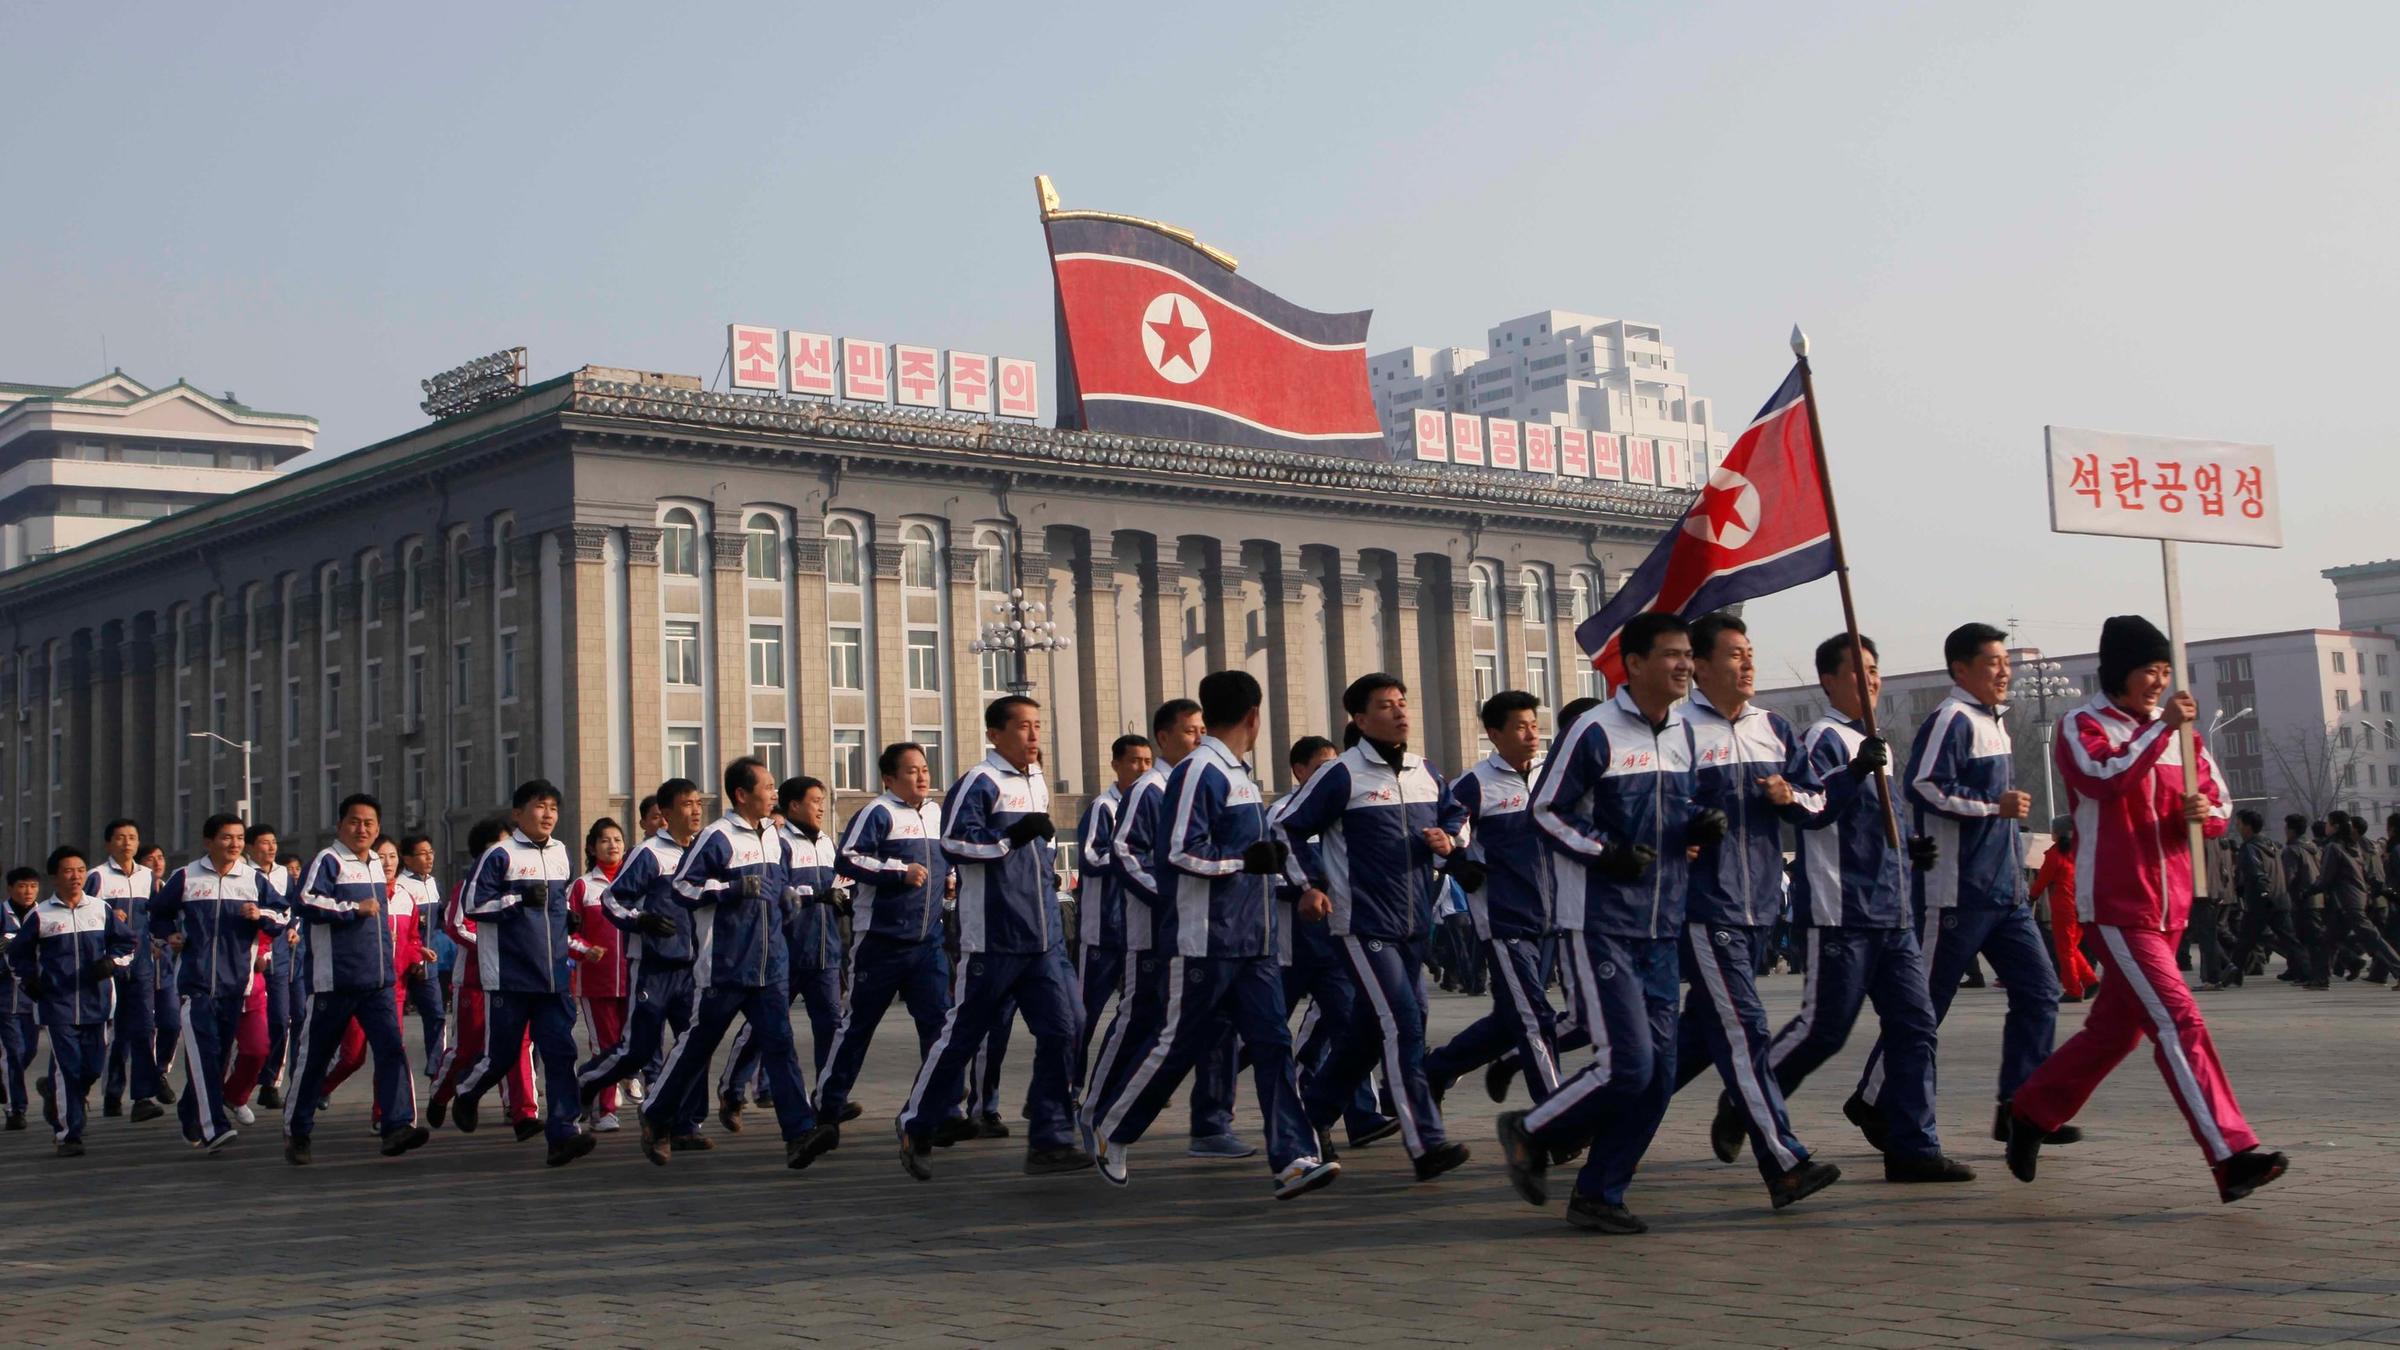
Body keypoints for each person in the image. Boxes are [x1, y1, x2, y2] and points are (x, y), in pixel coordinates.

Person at [2007, 614, 2286, 1203]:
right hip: (2117, 903)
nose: (2158, 682)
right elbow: (2102, 778)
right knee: (2179, 1021)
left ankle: (2030, 1111)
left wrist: (2202, 815)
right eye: (2147, 671)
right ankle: (2231, 1154)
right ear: (2119, 673)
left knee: (2115, 1034)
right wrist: (2161, 732)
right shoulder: (2082, 725)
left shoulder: (2182, 736)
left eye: (2164, 670)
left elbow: (2217, 802)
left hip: (2171, 907)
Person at [1495, 614, 1720, 1233]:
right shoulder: (1593, 731)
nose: (1685, 665)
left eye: (1688, 655)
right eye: (1672, 654)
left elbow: (1680, 807)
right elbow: (1546, 811)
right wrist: (1605, 852)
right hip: (1599, 921)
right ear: (1635, 663)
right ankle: (1533, 1128)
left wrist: (1698, 824)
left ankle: (1599, 1192)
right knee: (1629, 1064)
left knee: (1659, 1075)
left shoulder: (1684, 732)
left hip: (1661, 924)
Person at [1084, 669, 1336, 1199]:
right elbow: (1178, 852)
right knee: (1177, 1043)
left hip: (1254, 940)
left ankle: (1293, 1158)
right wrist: (1243, 862)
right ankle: (1112, 1127)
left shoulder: (1238, 773)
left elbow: (1260, 849)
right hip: (1205, 939)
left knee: (1273, 1043)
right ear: (1254, 716)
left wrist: (1288, 875)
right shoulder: (1200, 771)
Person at [1753, 633, 1975, 1183]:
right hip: (1843, 909)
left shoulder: (1876, 743)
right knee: (1824, 1031)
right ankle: (1749, 1100)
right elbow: (1811, 808)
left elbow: (1881, 819)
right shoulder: (1822, 738)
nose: (1871, 680)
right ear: (1829, 681)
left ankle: (1912, 1148)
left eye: (1875, 670)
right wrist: (1853, 771)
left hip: (1891, 910)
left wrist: (1910, 849)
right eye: (1858, 671)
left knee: (1916, 1026)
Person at [1855, 623, 2063, 1150]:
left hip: (2006, 895)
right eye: (1993, 663)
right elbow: (1921, 786)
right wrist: (1993, 807)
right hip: (1955, 894)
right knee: (1924, 1007)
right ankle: (1873, 1099)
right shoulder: (1951, 719)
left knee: (2041, 992)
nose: (2004, 672)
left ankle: (2019, 1107)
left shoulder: (1996, 723)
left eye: (2007, 663)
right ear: (1961, 669)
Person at [1666, 614, 1842, 1209]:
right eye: (1735, 654)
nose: (1747, 664)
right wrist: (1686, 824)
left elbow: (1818, 802)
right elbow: (1652, 807)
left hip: (1760, 904)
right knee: (1747, 1029)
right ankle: (1783, 1161)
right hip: (1703, 904)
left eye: (1750, 652)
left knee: (1696, 1039)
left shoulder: (1775, 727)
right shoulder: (1677, 732)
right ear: (1700, 665)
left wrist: (1790, 797)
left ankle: (1566, 1126)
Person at [1278, 673, 1472, 1182]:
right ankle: (1425, 1143)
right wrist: (1310, 885)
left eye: (1402, 702)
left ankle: (1314, 1113)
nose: (1400, 711)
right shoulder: (1341, 774)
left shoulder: (1425, 771)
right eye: (1387, 705)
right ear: (1361, 720)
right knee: (1403, 1022)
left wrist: (1449, 839)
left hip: (1415, 925)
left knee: (1371, 1029)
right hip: (1363, 924)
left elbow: (1458, 815)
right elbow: (1286, 827)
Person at [897, 697, 1091, 1179]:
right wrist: (1010, 838)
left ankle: (1049, 1139)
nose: (1033, 735)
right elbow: (953, 843)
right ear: (995, 734)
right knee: (963, 1035)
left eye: (1037, 725)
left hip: (1043, 938)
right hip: (993, 938)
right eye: (1023, 726)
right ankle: (917, 1125)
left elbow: (1040, 852)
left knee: (1066, 1028)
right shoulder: (980, 781)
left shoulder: (1037, 781)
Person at [641, 757, 832, 1171]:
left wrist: (787, 898)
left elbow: (779, 885)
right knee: (698, 1046)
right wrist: (730, 889)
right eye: (768, 787)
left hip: (770, 965)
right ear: (742, 794)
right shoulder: (718, 837)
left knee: (780, 1045)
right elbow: (682, 888)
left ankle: (799, 1133)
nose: (774, 793)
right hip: (725, 966)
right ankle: (656, 1115)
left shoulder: (774, 836)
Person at [1083, 698, 1246, 1160]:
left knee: (1217, 1023)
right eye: (1190, 731)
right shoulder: (1149, 790)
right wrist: (1167, 896)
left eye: (1202, 730)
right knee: (1138, 1022)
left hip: (1203, 932)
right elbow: (1124, 853)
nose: (1199, 738)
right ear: (1163, 738)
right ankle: (1094, 1115)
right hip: (1152, 933)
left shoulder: (1204, 781)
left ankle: (1211, 1124)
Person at [1424, 691, 1563, 1109]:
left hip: (1552, 919)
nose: (1531, 734)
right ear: (1494, 733)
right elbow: (1441, 839)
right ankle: (1558, 1116)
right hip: (1504, 920)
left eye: (1534, 725)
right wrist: (1460, 865)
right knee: (1535, 1018)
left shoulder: (1553, 774)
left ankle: (1433, 1072)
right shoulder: (1474, 784)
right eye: (1520, 727)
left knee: (1511, 1020)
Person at [450, 780, 592, 1166]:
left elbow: (557, 903)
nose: (548, 815)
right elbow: (474, 906)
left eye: (553, 808)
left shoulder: (560, 852)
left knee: (561, 1053)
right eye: (539, 806)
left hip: (553, 976)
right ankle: (466, 1091)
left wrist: (568, 917)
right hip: (510, 975)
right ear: (517, 813)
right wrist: (518, 898)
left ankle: (563, 1133)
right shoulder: (499, 855)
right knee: (502, 1055)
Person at [283, 795, 428, 1164]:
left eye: (369, 823)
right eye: (354, 821)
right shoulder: (328, 860)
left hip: (377, 982)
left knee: (392, 1050)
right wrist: (352, 909)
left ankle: (396, 1126)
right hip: (335, 982)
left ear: (377, 829)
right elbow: (305, 902)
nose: (362, 829)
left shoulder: (376, 864)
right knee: (315, 1059)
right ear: (340, 825)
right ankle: (298, 1131)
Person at [818, 745, 953, 1134]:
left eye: (925, 769)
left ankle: (940, 1107)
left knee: (940, 1025)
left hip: (927, 942)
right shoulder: (878, 813)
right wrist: (898, 871)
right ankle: (828, 1105)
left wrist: (950, 878)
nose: (922, 777)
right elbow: (848, 858)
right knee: (858, 1027)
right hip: (881, 941)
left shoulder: (936, 814)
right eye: (912, 771)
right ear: (889, 779)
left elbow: (948, 858)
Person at [1266, 735, 1392, 1147]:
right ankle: (1215, 1097)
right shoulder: (1280, 815)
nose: (1331, 774)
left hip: (1336, 944)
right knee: (1264, 1034)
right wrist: (1307, 889)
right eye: (1321, 767)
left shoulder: (1342, 812)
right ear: (1299, 771)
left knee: (1350, 1026)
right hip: (1291, 947)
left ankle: (1361, 1116)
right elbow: (1267, 876)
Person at [576, 781, 708, 1143]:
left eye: (698, 803)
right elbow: (611, 900)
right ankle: (587, 1081)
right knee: (637, 1050)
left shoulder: (703, 851)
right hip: (652, 966)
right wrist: (641, 920)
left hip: (693, 969)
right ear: (665, 814)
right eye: (687, 804)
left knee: (694, 1045)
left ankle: (686, 1124)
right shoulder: (649, 854)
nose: (696, 810)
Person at [150, 813, 286, 1151]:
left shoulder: (253, 880)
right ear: (208, 842)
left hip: (236, 985)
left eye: (239, 838)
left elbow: (283, 915)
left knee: (217, 1058)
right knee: (205, 1054)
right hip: (194, 984)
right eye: (227, 837)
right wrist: (170, 935)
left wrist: (260, 915)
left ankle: (190, 1114)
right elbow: (157, 914)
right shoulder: (186, 877)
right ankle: (214, 1128)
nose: (235, 844)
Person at [719, 778, 851, 1125]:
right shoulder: (779, 843)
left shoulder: (827, 843)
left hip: (825, 953)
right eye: (814, 801)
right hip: (786, 952)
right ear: (794, 805)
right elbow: (780, 891)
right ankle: (732, 1089)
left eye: (822, 800)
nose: (821, 808)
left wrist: (844, 898)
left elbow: (842, 884)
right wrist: (815, 896)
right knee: (763, 1029)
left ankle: (828, 1098)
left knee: (831, 1027)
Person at [8, 846, 134, 1154]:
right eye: (68, 871)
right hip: (57, 1005)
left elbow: (128, 944)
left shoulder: (100, 909)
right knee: (68, 1068)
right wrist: (29, 982)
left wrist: (112, 963)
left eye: (80, 870)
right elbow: (17, 956)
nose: (75, 876)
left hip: (96, 1003)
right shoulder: (41, 915)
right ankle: (68, 1134)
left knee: (91, 1068)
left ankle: (55, 1093)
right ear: (54, 877)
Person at [431, 817, 539, 1137]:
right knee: (468, 1047)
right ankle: (441, 1094)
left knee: (519, 1045)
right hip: (475, 981)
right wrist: (494, 946)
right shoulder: (468, 886)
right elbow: (456, 926)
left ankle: (523, 1113)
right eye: (498, 847)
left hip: (515, 980)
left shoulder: (521, 887)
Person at [1070, 734, 1149, 1105]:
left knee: (1137, 1011)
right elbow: (1090, 858)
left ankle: (1124, 1079)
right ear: (1116, 764)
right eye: (1134, 761)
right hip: (1102, 930)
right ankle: (1068, 1086)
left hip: (1138, 930)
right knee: (1083, 1015)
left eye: (1147, 761)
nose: (1142, 768)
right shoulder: (1104, 807)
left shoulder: (1152, 804)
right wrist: (1129, 860)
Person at [90, 819, 169, 1121]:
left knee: (144, 1027)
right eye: (120, 838)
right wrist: (109, 915)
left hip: (141, 963)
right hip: (108, 964)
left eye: (132, 837)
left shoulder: (148, 877)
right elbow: (82, 913)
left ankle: (142, 1097)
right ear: (108, 843)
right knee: (116, 1031)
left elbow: (157, 915)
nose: (127, 843)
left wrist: (161, 940)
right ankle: (111, 1094)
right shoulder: (97, 877)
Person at [568, 819, 629, 1131]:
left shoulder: (633, 882)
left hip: (634, 980)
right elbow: (566, 933)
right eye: (605, 840)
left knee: (630, 1045)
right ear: (592, 848)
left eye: (617, 839)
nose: (612, 845)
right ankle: (603, 1111)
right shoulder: (582, 887)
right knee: (604, 1046)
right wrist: (585, 949)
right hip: (596, 983)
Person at [2309, 814, 2400, 989]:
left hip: (2347, 902)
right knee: (2327, 940)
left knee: (2373, 939)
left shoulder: (2333, 847)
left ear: (2335, 827)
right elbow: (2365, 873)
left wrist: (2309, 890)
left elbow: (2326, 878)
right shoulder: (2352, 846)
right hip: (2352, 900)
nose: (2326, 827)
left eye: (2328, 824)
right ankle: (2320, 979)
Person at [243, 824, 296, 1109]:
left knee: (280, 1019)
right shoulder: (243, 874)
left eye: (274, 841)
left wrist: (293, 928)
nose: (271, 847)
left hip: (280, 955)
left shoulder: (283, 874)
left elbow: (292, 909)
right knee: (247, 1024)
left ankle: (271, 1082)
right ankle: (239, 1081)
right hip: (251, 956)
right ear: (250, 847)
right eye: (264, 842)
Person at [392, 836, 449, 1065]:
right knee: (393, 1020)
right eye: (422, 853)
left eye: (431, 852)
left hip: (427, 963)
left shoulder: (434, 884)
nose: (429, 858)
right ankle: (395, 1067)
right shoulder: (399, 885)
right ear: (406, 859)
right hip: (403, 961)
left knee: (436, 1014)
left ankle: (437, 1068)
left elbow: (441, 920)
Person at [2030, 817, 2099, 1001]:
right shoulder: (2080, 852)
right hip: (2082, 905)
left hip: (2064, 907)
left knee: (2065, 950)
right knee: (2071, 948)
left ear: (2058, 833)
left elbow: (2042, 880)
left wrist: (2031, 896)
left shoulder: (2054, 855)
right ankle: (2089, 980)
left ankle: (2073, 989)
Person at [1, 867, 42, 1130]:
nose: (28, 891)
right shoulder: (1, 914)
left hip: (33, 998)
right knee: (14, 1052)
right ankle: (16, 1109)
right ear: (10, 889)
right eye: (22, 886)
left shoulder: (44, 914)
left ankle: (5, 1078)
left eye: (33, 886)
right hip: (5, 998)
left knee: (28, 1051)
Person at [2280, 815, 2322, 984]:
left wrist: (2282, 892)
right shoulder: (2313, 848)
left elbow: (2288, 876)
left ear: (2291, 830)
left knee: (2305, 939)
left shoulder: (2292, 850)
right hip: (2316, 897)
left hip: (2301, 898)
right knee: (2309, 937)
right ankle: (2299, 970)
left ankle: (2312, 974)